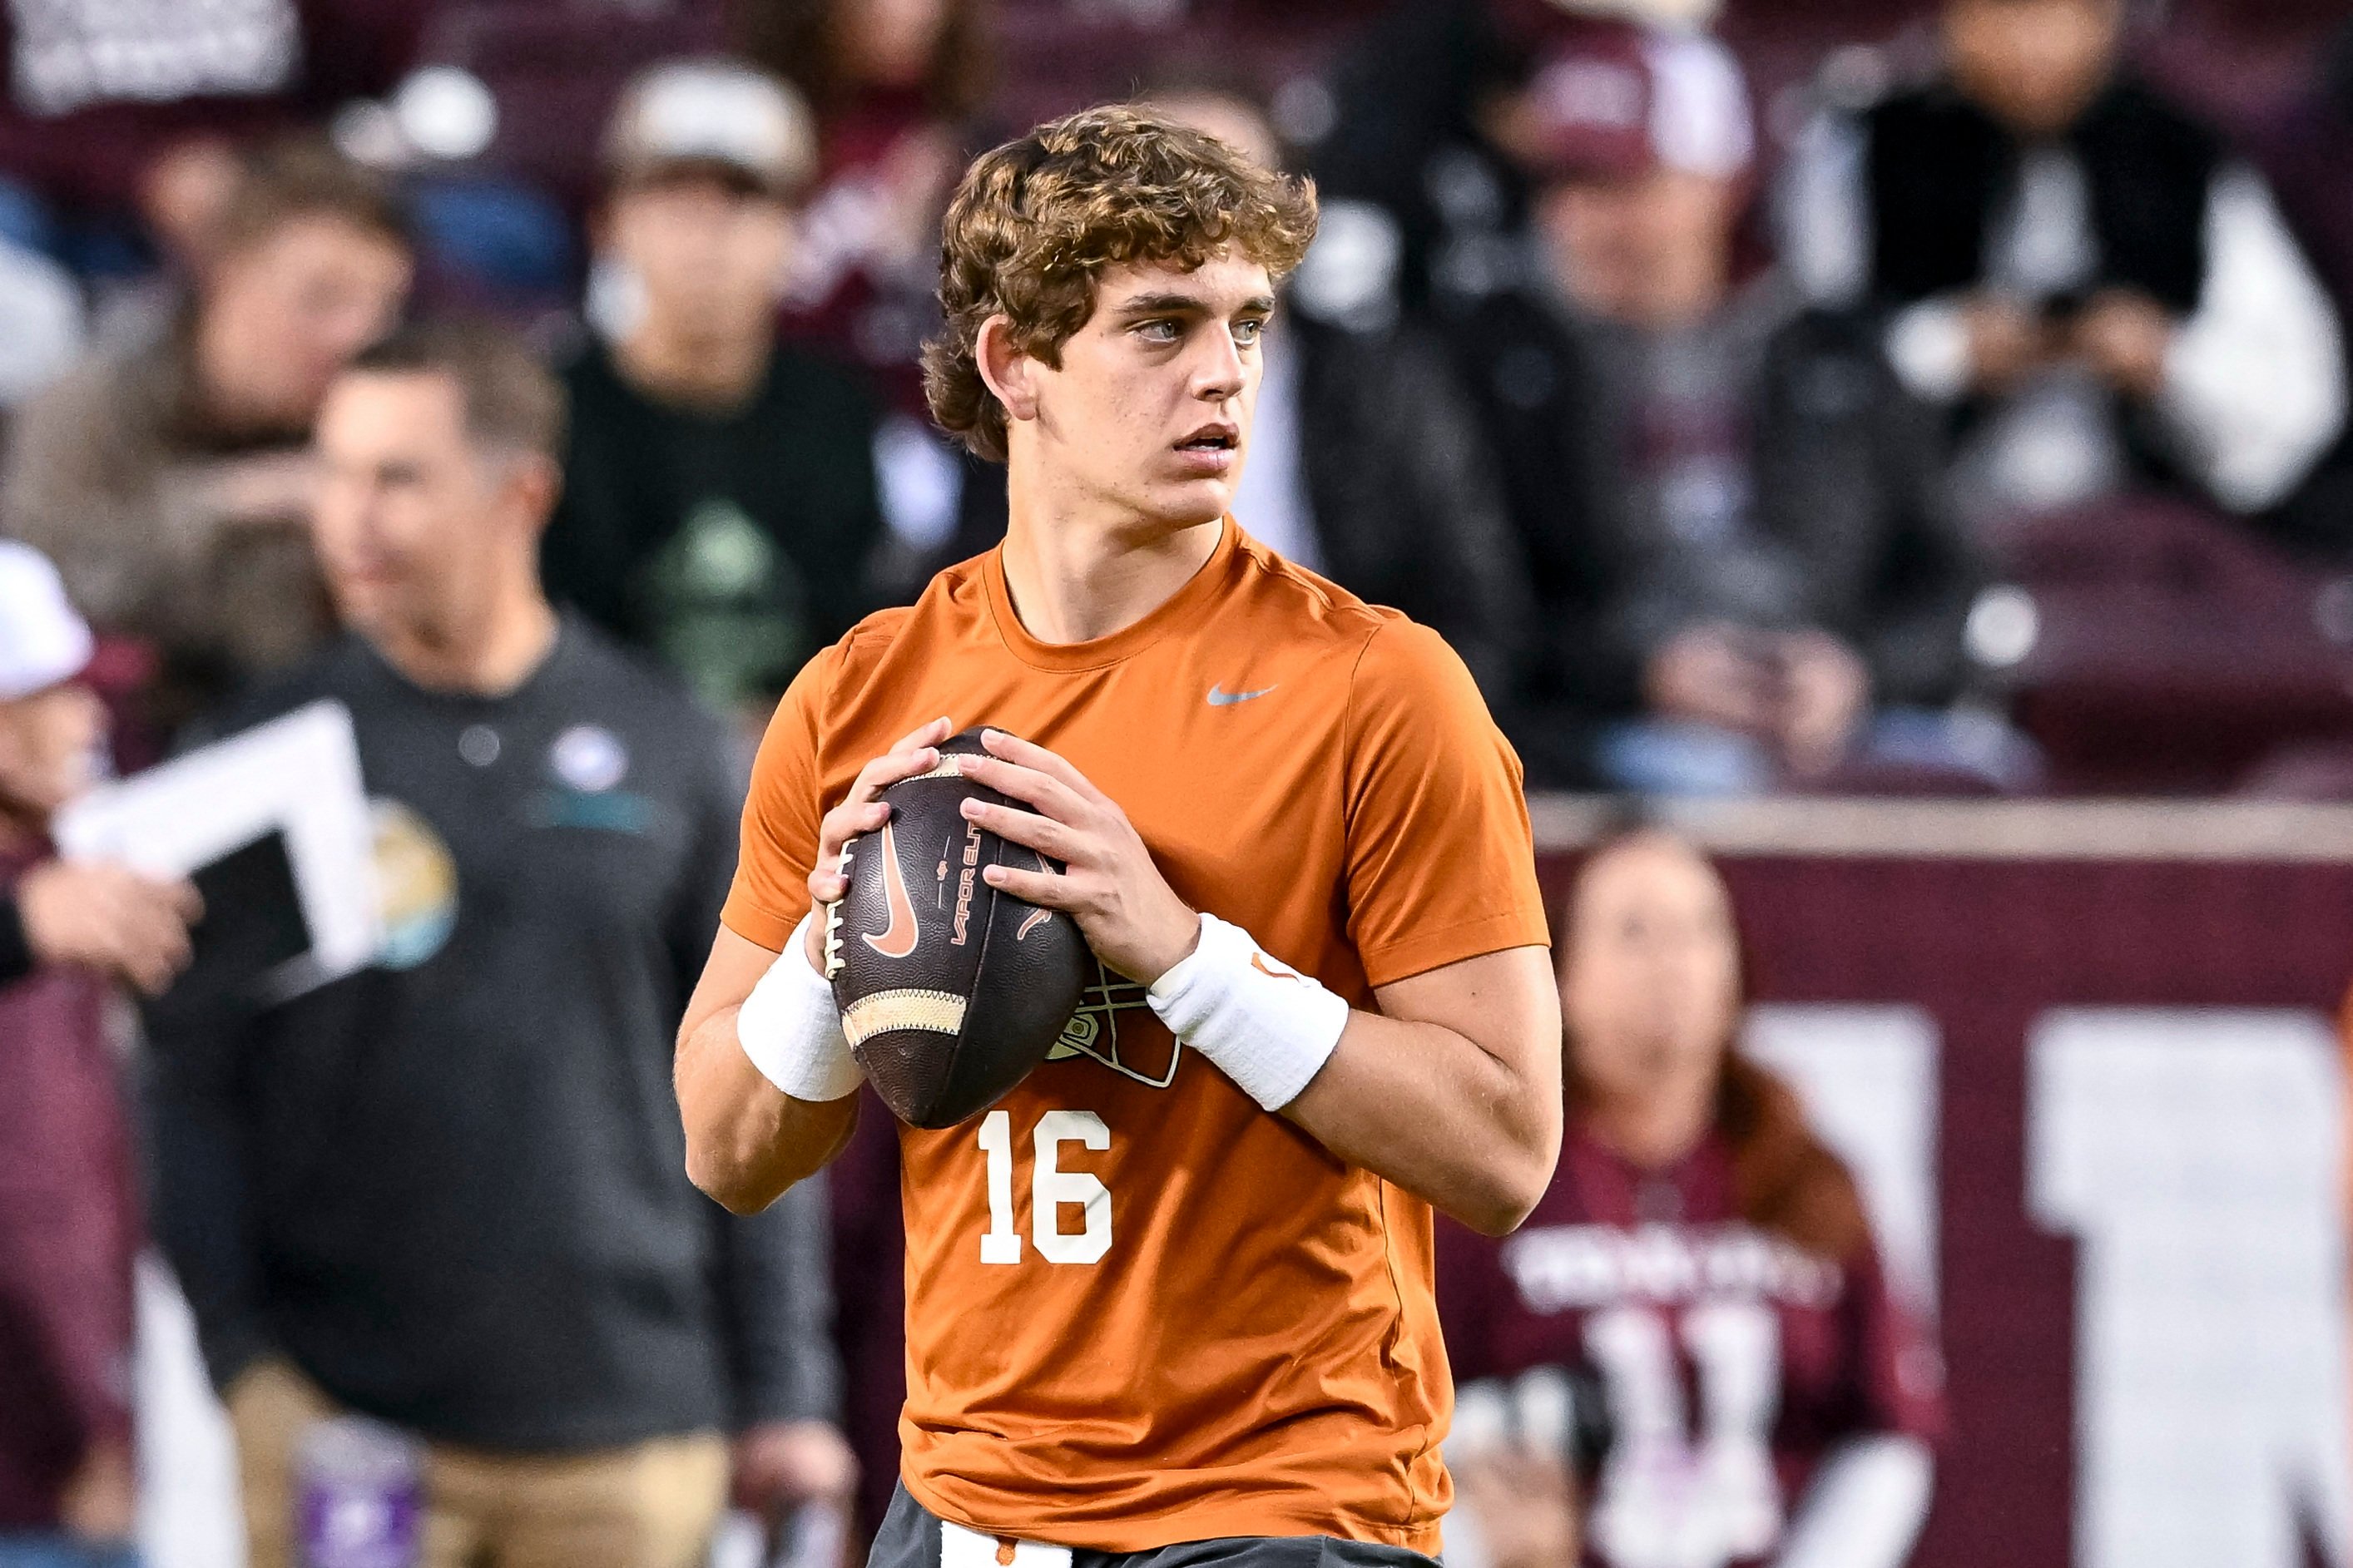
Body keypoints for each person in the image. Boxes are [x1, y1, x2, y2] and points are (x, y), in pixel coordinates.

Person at [676, 106, 1564, 1560]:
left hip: (1281, 1505)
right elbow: (725, 1145)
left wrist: (1183, 956)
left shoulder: (1378, 689)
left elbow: (1503, 1145)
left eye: (1246, 324)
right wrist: (828, 957)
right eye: (1159, 327)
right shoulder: (861, 696)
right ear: (1012, 365)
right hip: (967, 1507)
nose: (1222, 373)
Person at [146, 324, 852, 1568]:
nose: (349, 518)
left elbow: (764, 1081)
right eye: (334, 472)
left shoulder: (676, 748)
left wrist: (787, 1392)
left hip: (632, 1434)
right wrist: (240, 1359)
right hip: (346, 1425)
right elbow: (189, 1087)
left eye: (397, 478)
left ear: (521, 491)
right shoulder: (256, 757)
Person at [1455, 26, 1993, 794]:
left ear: (1718, 179)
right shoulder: (1485, 365)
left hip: (1830, 706)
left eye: (1624, 185)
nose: (1584, 219)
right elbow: (1458, 612)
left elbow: (1953, 584)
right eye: (1559, 186)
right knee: (1710, 785)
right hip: (1597, 733)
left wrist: (1857, 672)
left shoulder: (1835, 351)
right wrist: (1638, 675)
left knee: (1984, 777)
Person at [1439, 830, 1944, 1568]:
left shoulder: (1808, 1177)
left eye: (1698, 930)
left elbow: (1887, 1431)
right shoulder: (1487, 1182)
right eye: (1634, 932)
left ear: (1736, 968)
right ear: (1560, 978)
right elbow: (1408, 1430)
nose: (1670, 964)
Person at [1781, 0, 2345, 526]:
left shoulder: (2186, 156)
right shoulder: (1861, 151)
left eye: (2057, 13)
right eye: (2004, 13)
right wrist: (1944, 351)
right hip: (1919, 537)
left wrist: (2164, 360)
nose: (2032, 48)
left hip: (2148, 543)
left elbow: (2300, 404)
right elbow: (1799, 375)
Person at [2, 138, 414, 739]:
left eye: (382, 307)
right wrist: (234, 500)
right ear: (225, 272)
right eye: (323, 298)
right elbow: (43, 607)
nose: (354, 336)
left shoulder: (381, 422)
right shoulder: (93, 404)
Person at [1136, 81, 1533, 701]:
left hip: (1338, 742)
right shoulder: (1044, 386)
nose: (1198, 222)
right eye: (1159, 191)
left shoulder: (1386, 387)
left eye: (1230, 190)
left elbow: (1477, 623)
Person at [548, 60, 892, 725]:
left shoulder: (839, 412)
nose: (706, 237)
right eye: (674, 200)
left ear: (796, 230)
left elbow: (861, 638)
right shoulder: (550, 409)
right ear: (609, 226)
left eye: (741, 200)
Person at [0, 542, 184, 1568]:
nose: (92, 725)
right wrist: (90, 1430)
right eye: (56, 696)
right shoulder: (39, 926)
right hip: (36, 1483)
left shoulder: (60, 895)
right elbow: (32, 1211)